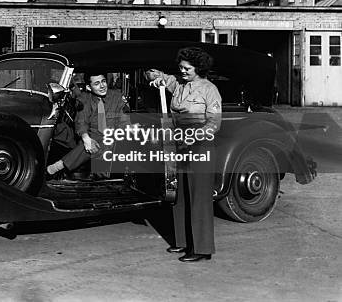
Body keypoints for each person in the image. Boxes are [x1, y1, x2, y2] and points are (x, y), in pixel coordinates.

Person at [146, 47, 222, 263]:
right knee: (180, 195)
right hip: (179, 145)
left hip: (200, 146)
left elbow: (214, 123)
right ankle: (182, 241)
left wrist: (195, 136)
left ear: (198, 68)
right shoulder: (178, 84)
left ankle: (202, 248)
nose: (182, 71)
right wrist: (155, 79)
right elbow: (153, 73)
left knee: (199, 197)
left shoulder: (210, 90)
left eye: (187, 68)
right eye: (180, 67)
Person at [46, 71, 130, 177]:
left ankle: (57, 167)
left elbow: (125, 122)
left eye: (103, 81)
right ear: (89, 87)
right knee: (93, 143)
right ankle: (102, 179)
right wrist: (86, 139)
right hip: (93, 138)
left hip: (114, 138)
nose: (102, 86)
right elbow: (81, 122)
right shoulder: (85, 99)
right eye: (97, 83)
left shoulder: (117, 97)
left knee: (102, 142)